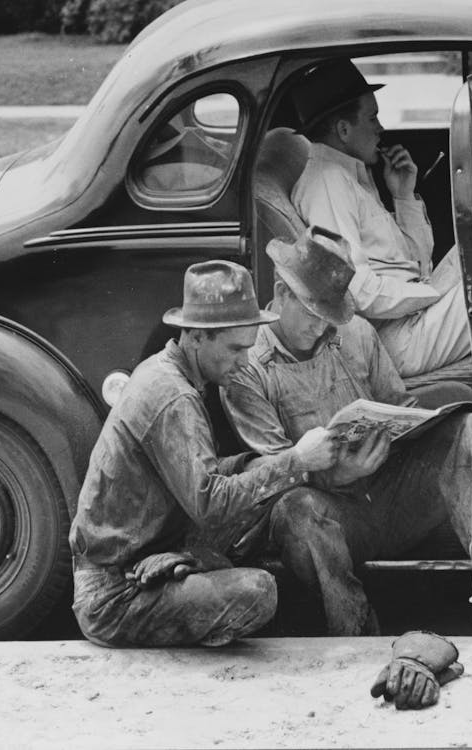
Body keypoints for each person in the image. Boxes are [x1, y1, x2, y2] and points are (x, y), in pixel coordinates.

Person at [222, 226, 472, 648]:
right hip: (334, 516)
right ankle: (356, 632)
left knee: (466, 432)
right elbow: (264, 479)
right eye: (311, 311)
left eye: (331, 313)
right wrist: (333, 475)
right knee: (296, 511)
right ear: (281, 293)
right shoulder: (248, 366)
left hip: (390, 495)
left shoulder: (356, 332)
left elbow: (399, 406)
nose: (323, 325)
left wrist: (410, 425)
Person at [69, 260, 338, 647]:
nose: (244, 361)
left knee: (262, 478)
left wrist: (260, 465)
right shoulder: (174, 396)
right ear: (195, 336)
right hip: (114, 593)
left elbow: (201, 481)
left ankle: (186, 564)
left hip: (143, 549)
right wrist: (296, 460)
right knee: (259, 592)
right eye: (234, 349)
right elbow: (210, 504)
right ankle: (183, 579)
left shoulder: (167, 369)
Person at [288, 58, 470, 379]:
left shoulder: (351, 174)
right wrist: (433, 294)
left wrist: (402, 195)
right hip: (397, 339)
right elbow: (356, 290)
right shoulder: (327, 182)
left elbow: (416, 261)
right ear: (343, 130)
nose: (381, 129)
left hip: (412, 316)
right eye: (372, 118)